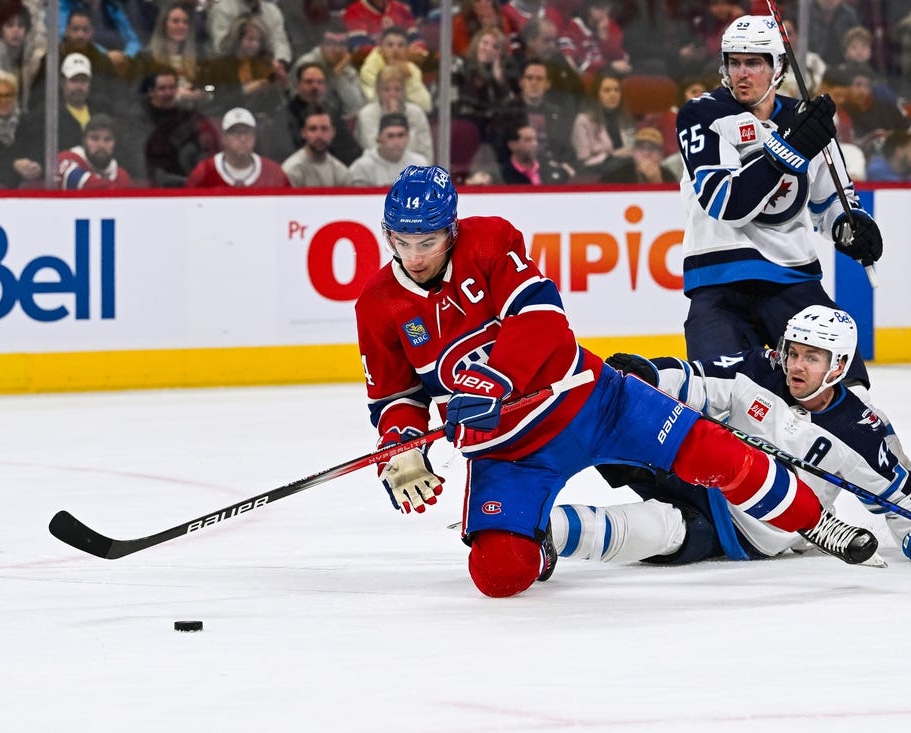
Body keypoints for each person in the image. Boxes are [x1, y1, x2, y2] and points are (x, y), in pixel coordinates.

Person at [356, 164, 881, 598]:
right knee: (499, 574)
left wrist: (494, 382)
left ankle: (812, 521)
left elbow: (542, 319)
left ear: (452, 230)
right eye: (402, 242)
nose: (415, 256)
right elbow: (395, 395)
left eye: (428, 241)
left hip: (593, 400)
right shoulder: (377, 305)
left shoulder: (490, 240)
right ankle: (538, 540)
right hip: (508, 451)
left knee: (714, 452)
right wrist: (401, 447)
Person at [559, 306, 911, 567]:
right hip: (700, 467)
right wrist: (651, 374)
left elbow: (900, 495)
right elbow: (700, 381)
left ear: (839, 366)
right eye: (793, 352)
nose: (796, 365)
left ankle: (548, 536)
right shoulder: (762, 369)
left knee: (661, 529)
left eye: (812, 357)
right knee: (606, 425)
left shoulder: (860, 430)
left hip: (744, 530)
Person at [675, 15, 883, 383]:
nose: (742, 73)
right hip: (718, 284)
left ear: (779, 68)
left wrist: (849, 226)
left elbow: (830, 200)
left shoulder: (806, 121)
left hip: (793, 279)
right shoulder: (701, 114)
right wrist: (786, 150)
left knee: (846, 391)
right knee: (720, 397)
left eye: (754, 62)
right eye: (734, 62)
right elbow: (726, 203)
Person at [184, 107, 289, 188]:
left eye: (247, 132)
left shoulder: (273, 172)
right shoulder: (204, 172)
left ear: (255, 136)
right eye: (235, 133)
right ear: (224, 138)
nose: (243, 139)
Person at [355, 64, 434, 162]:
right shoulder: (366, 114)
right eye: (386, 90)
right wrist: (390, 119)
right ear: (378, 91)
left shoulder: (416, 113)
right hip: (377, 168)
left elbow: (426, 153)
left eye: (397, 89)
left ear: (404, 91)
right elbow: (373, 148)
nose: (392, 94)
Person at [346, 112, 429, 186]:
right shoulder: (361, 167)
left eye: (401, 135)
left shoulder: (420, 165)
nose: (396, 142)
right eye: (390, 136)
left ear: (408, 137)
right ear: (379, 138)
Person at [56, 113, 133, 190]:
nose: (101, 145)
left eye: (107, 139)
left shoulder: (122, 177)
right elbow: (73, 179)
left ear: (115, 143)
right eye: (95, 138)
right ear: (84, 141)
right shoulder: (66, 158)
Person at [281, 105, 351, 187]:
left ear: (332, 132)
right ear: (303, 133)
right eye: (313, 129)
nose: (319, 135)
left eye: (324, 128)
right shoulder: (291, 170)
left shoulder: (340, 171)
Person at [598, 126, 677, 183]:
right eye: (641, 147)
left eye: (653, 148)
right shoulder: (618, 174)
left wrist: (657, 181)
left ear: (661, 155)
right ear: (633, 152)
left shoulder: (667, 176)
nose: (646, 153)